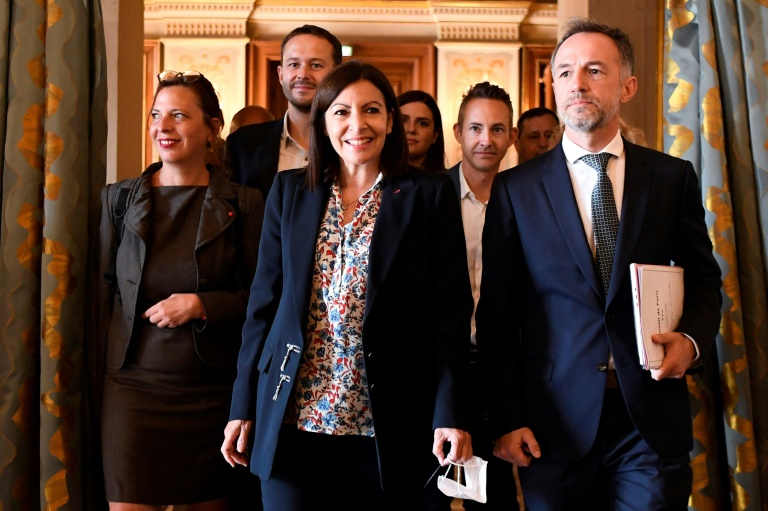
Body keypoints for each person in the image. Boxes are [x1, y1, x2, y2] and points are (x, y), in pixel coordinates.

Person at [477, 18, 722, 510]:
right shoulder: (516, 190)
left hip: (647, 417)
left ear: (627, 86)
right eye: (565, 72)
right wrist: (505, 417)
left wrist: (691, 341)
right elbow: (498, 315)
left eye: (594, 70)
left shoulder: (672, 178)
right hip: (553, 420)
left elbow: (704, 278)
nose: (578, 84)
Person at [221, 60, 474, 511]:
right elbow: (264, 305)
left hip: (392, 422)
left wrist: (450, 413)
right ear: (322, 122)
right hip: (294, 421)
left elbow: (449, 314)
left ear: (390, 120)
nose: (357, 124)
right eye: (341, 112)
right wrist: (243, 402)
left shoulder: (428, 194)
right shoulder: (289, 191)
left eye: (372, 110)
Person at [96, 70, 265, 510]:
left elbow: (263, 300)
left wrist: (201, 305)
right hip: (132, 387)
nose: (162, 127)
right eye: (156, 115)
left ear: (212, 128)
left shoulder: (245, 203)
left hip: (211, 392)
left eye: (178, 116)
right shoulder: (118, 200)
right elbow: (104, 293)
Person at [445, 81, 519, 511]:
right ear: (458, 132)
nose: (485, 140)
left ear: (511, 136)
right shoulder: (429, 196)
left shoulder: (528, 198)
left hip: (501, 368)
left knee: (496, 496)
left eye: (496, 129)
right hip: (440, 369)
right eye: (475, 128)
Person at [225, 24, 342, 198]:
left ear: (336, 74)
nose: (303, 74)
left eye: (316, 65)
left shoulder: (352, 142)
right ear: (281, 75)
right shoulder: (243, 144)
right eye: (294, 64)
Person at [397, 90, 446, 172]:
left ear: (435, 135)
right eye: (403, 121)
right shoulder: (373, 181)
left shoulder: (450, 182)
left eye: (422, 123)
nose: (411, 129)